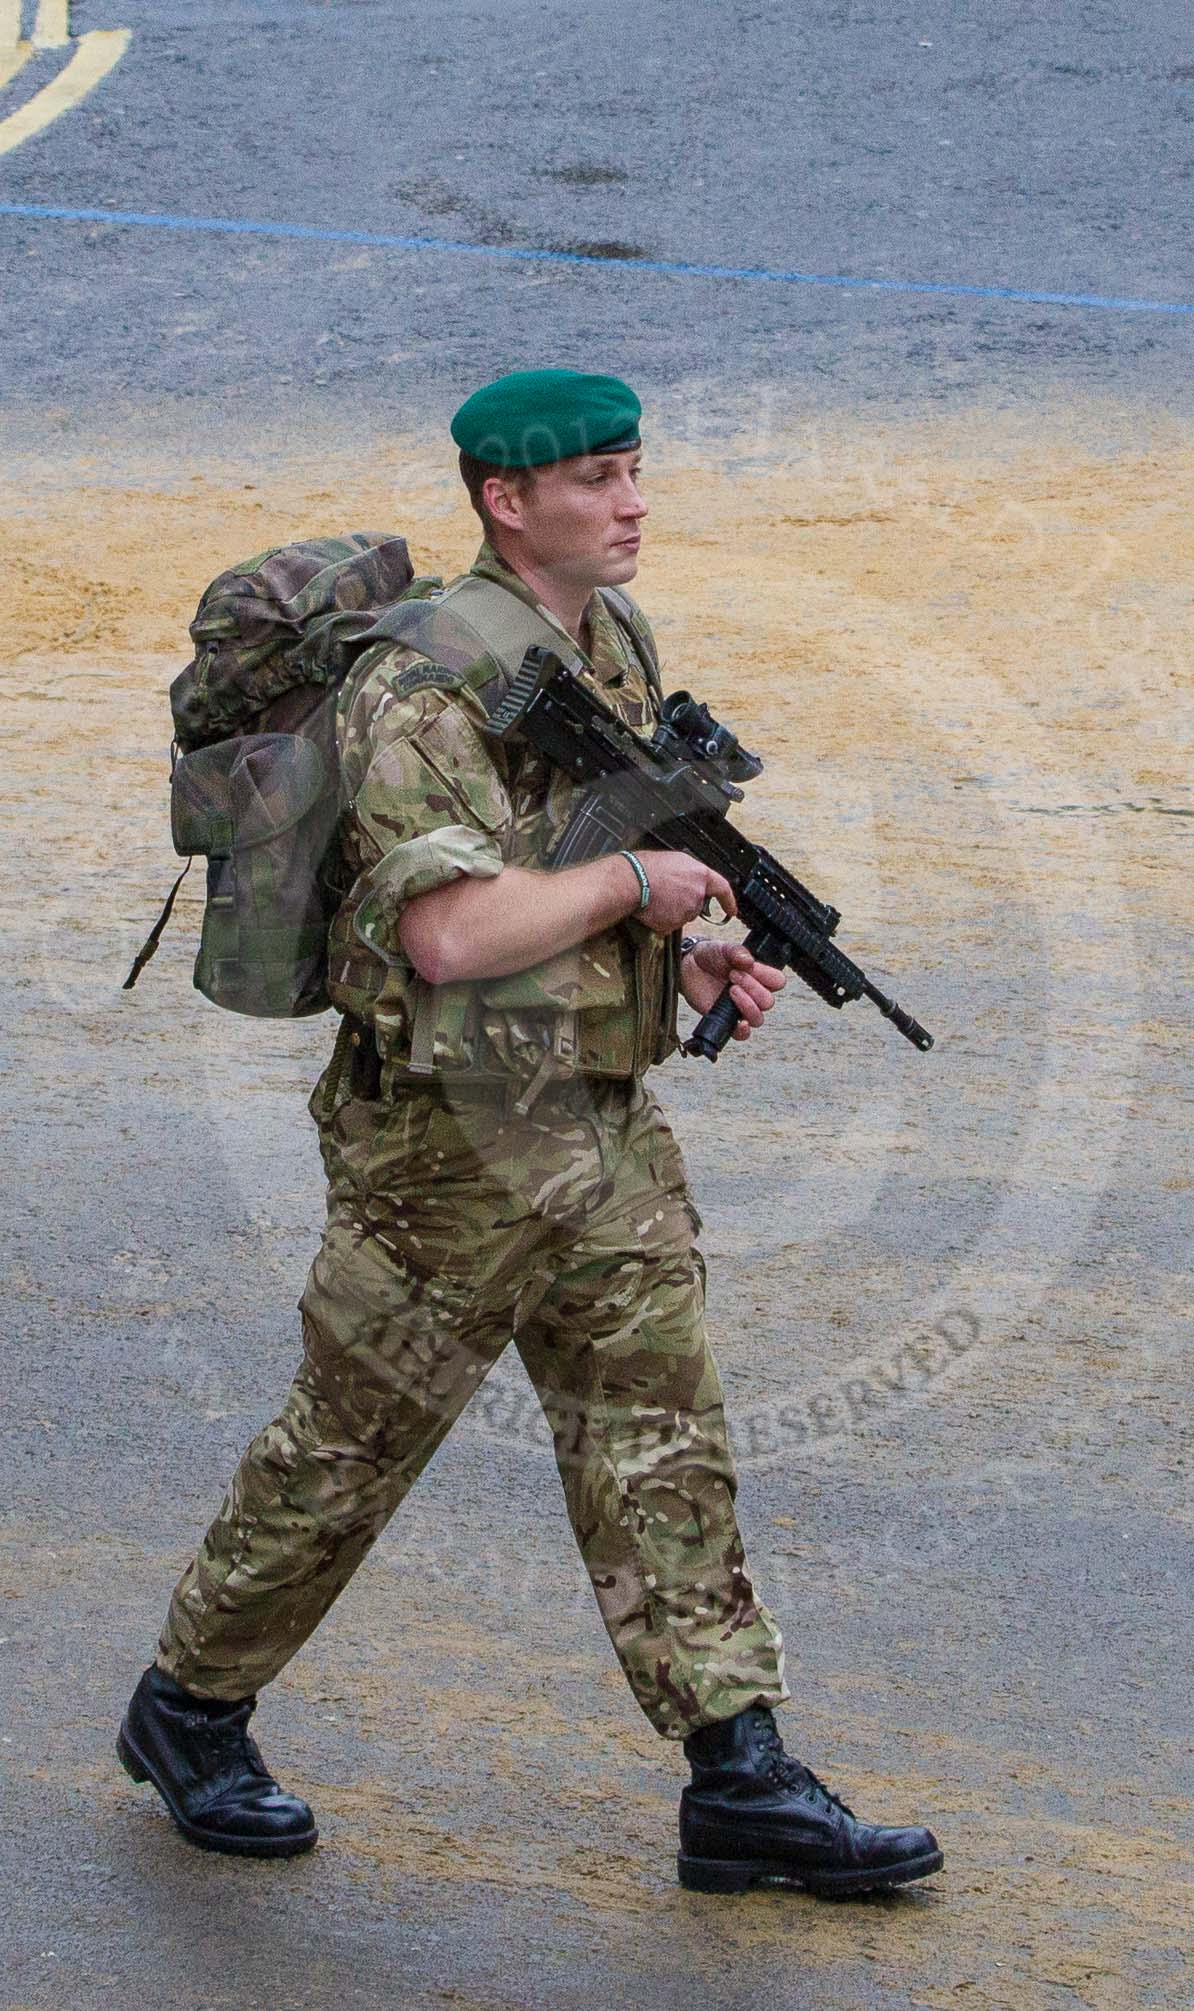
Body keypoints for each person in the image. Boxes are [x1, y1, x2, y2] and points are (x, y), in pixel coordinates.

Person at [117, 369, 943, 1898]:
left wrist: (683, 947)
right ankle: (187, 1709)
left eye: (634, 472)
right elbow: (447, 931)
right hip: (446, 1145)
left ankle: (738, 1774)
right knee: (352, 1449)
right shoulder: (417, 688)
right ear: (507, 501)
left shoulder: (609, 639)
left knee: (659, 1432)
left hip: (594, 1117)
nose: (632, 502)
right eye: (597, 479)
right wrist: (645, 896)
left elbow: (585, 843)